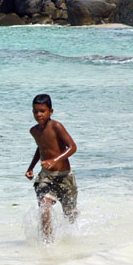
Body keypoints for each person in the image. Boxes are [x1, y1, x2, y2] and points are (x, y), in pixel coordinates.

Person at [25, 94, 77, 242]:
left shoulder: (56, 126)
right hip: (46, 176)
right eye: (35, 111)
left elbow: (72, 147)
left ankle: (72, 239)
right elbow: (40, 148)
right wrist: (31, 167)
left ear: (51, 111)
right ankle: (47, 242)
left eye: (42, 111)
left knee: (70, 215)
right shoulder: (34, 131)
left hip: (65, 175)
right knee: (44, 207)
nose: (38, 114)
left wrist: (55, 160)